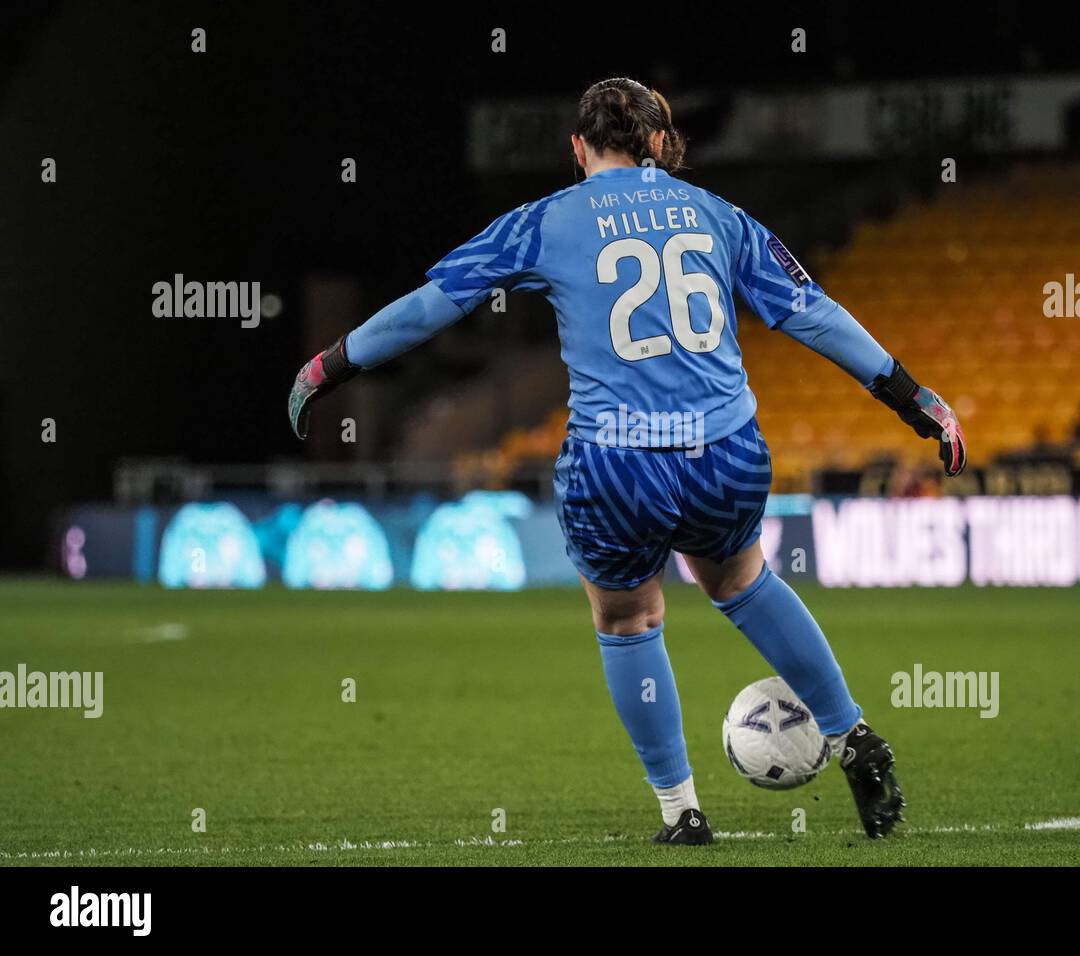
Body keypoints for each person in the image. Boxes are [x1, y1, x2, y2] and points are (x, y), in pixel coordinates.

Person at [289, 77, 967, 845]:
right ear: (659, 145)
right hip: (726, 452)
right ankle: (853, 738)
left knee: (629, 618)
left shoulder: (544, 220)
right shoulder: (718, 215)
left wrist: (331, 366)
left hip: (617, 462)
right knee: (742, 580)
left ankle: (683, 813)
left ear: (578, 149)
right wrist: (915, 399)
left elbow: (431, 306)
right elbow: (813, 314)